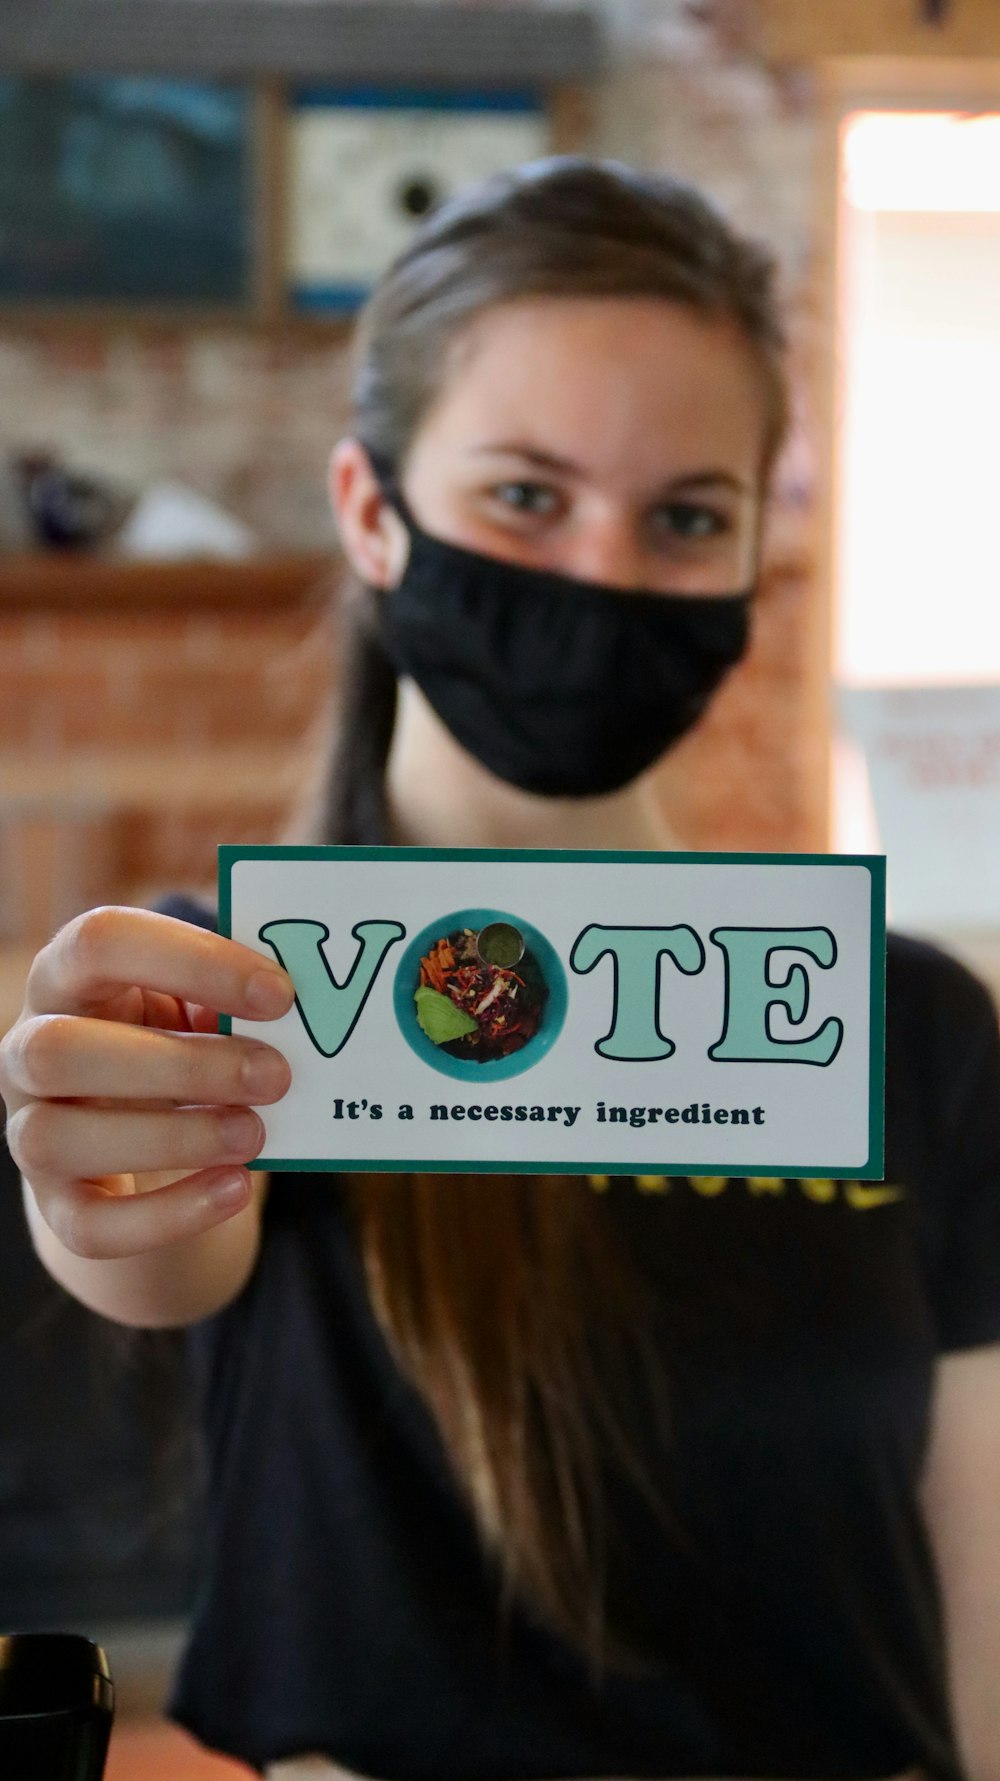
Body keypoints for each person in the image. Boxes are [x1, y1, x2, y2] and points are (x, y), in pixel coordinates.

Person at [2, 157, 1000, 1781]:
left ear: (761, 551)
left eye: (686, 517)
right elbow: (156, 1251)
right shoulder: (229, 995)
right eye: (528, 496)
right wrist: (93, 1178)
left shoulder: (916, 1029)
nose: (602, 573)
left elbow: (983, 1622)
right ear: (372, 510)